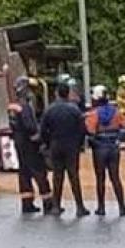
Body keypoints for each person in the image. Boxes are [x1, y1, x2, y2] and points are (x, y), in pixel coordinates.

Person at [40, 82, 90, 218]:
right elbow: (82, 130)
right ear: (68, 93)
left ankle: (56, 206)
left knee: (57, 176)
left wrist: (48, 143)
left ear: (56, 93)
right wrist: (79, 145)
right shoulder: (74, 110)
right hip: (71, 147)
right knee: (74, 176)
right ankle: (80, 207)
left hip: (56, 145)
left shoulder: (50, 110)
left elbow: (43, 129)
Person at [8, 76, 53, 214]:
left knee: (24, 173)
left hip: (18, 142)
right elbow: (30, 126)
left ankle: (27, 204)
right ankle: (48, 203)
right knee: (39, 171)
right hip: (29, 143)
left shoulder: (12, 105)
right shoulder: (24, 107)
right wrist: (39, 136)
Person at [86, 85, 125, 216]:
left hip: (99, 148)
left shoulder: (93, 114)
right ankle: (122, 207)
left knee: (100, 178)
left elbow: (90, 131)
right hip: (113, 146)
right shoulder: (116, 112)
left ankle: (101, 207)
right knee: (115, 177)